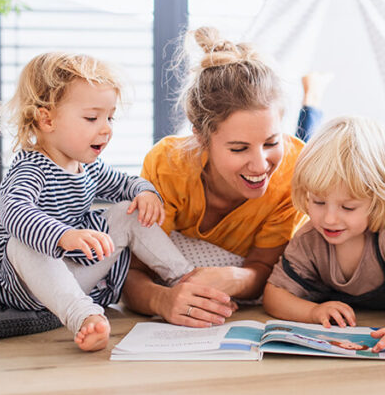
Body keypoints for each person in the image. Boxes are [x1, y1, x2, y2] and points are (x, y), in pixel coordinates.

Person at [0, 52, 194, 352]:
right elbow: (14, 213)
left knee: (126, 211)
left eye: (110, 117)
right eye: (92, 118)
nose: (106, 128)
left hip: (71, 274)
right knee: (21, 242)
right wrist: (63, 236)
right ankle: (84, 316)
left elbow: (124, 183)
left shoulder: (87, 166)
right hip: (21, 284)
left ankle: (185, 277)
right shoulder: (30, 169)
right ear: (47, 118)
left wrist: (145, 192)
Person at [121, 27, 321, 327]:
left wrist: (235, 278)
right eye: (239, 149)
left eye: (271, 143)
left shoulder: (292, 172)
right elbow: (131, 272)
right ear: (202, 138)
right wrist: (160, 300)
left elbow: (266, 269)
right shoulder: (168, 165)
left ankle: (314, 95)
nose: (260, 165)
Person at [263, 116, 385, 361]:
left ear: (379, 202)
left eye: (347, 208)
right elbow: (274, 295)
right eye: (318, 202)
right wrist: (313, 312)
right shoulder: (309, 238)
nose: (329, 219)